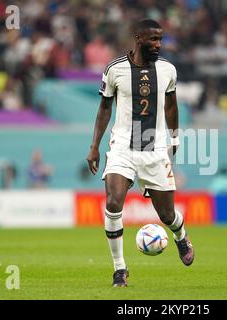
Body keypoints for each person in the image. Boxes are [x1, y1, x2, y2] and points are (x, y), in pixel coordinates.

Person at [86, 19, 194, 287]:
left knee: (167, 215)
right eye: (153, 39)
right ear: (138, 38)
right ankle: (120, 269)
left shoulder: (168, 70)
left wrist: (175, 135)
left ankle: (181, 237)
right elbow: (104, 109)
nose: (158, 44)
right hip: (122, 146)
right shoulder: (115, 69)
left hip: (155, 149)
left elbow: (171, 105)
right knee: (113, 203)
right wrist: (94, 146)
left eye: (160, 39)